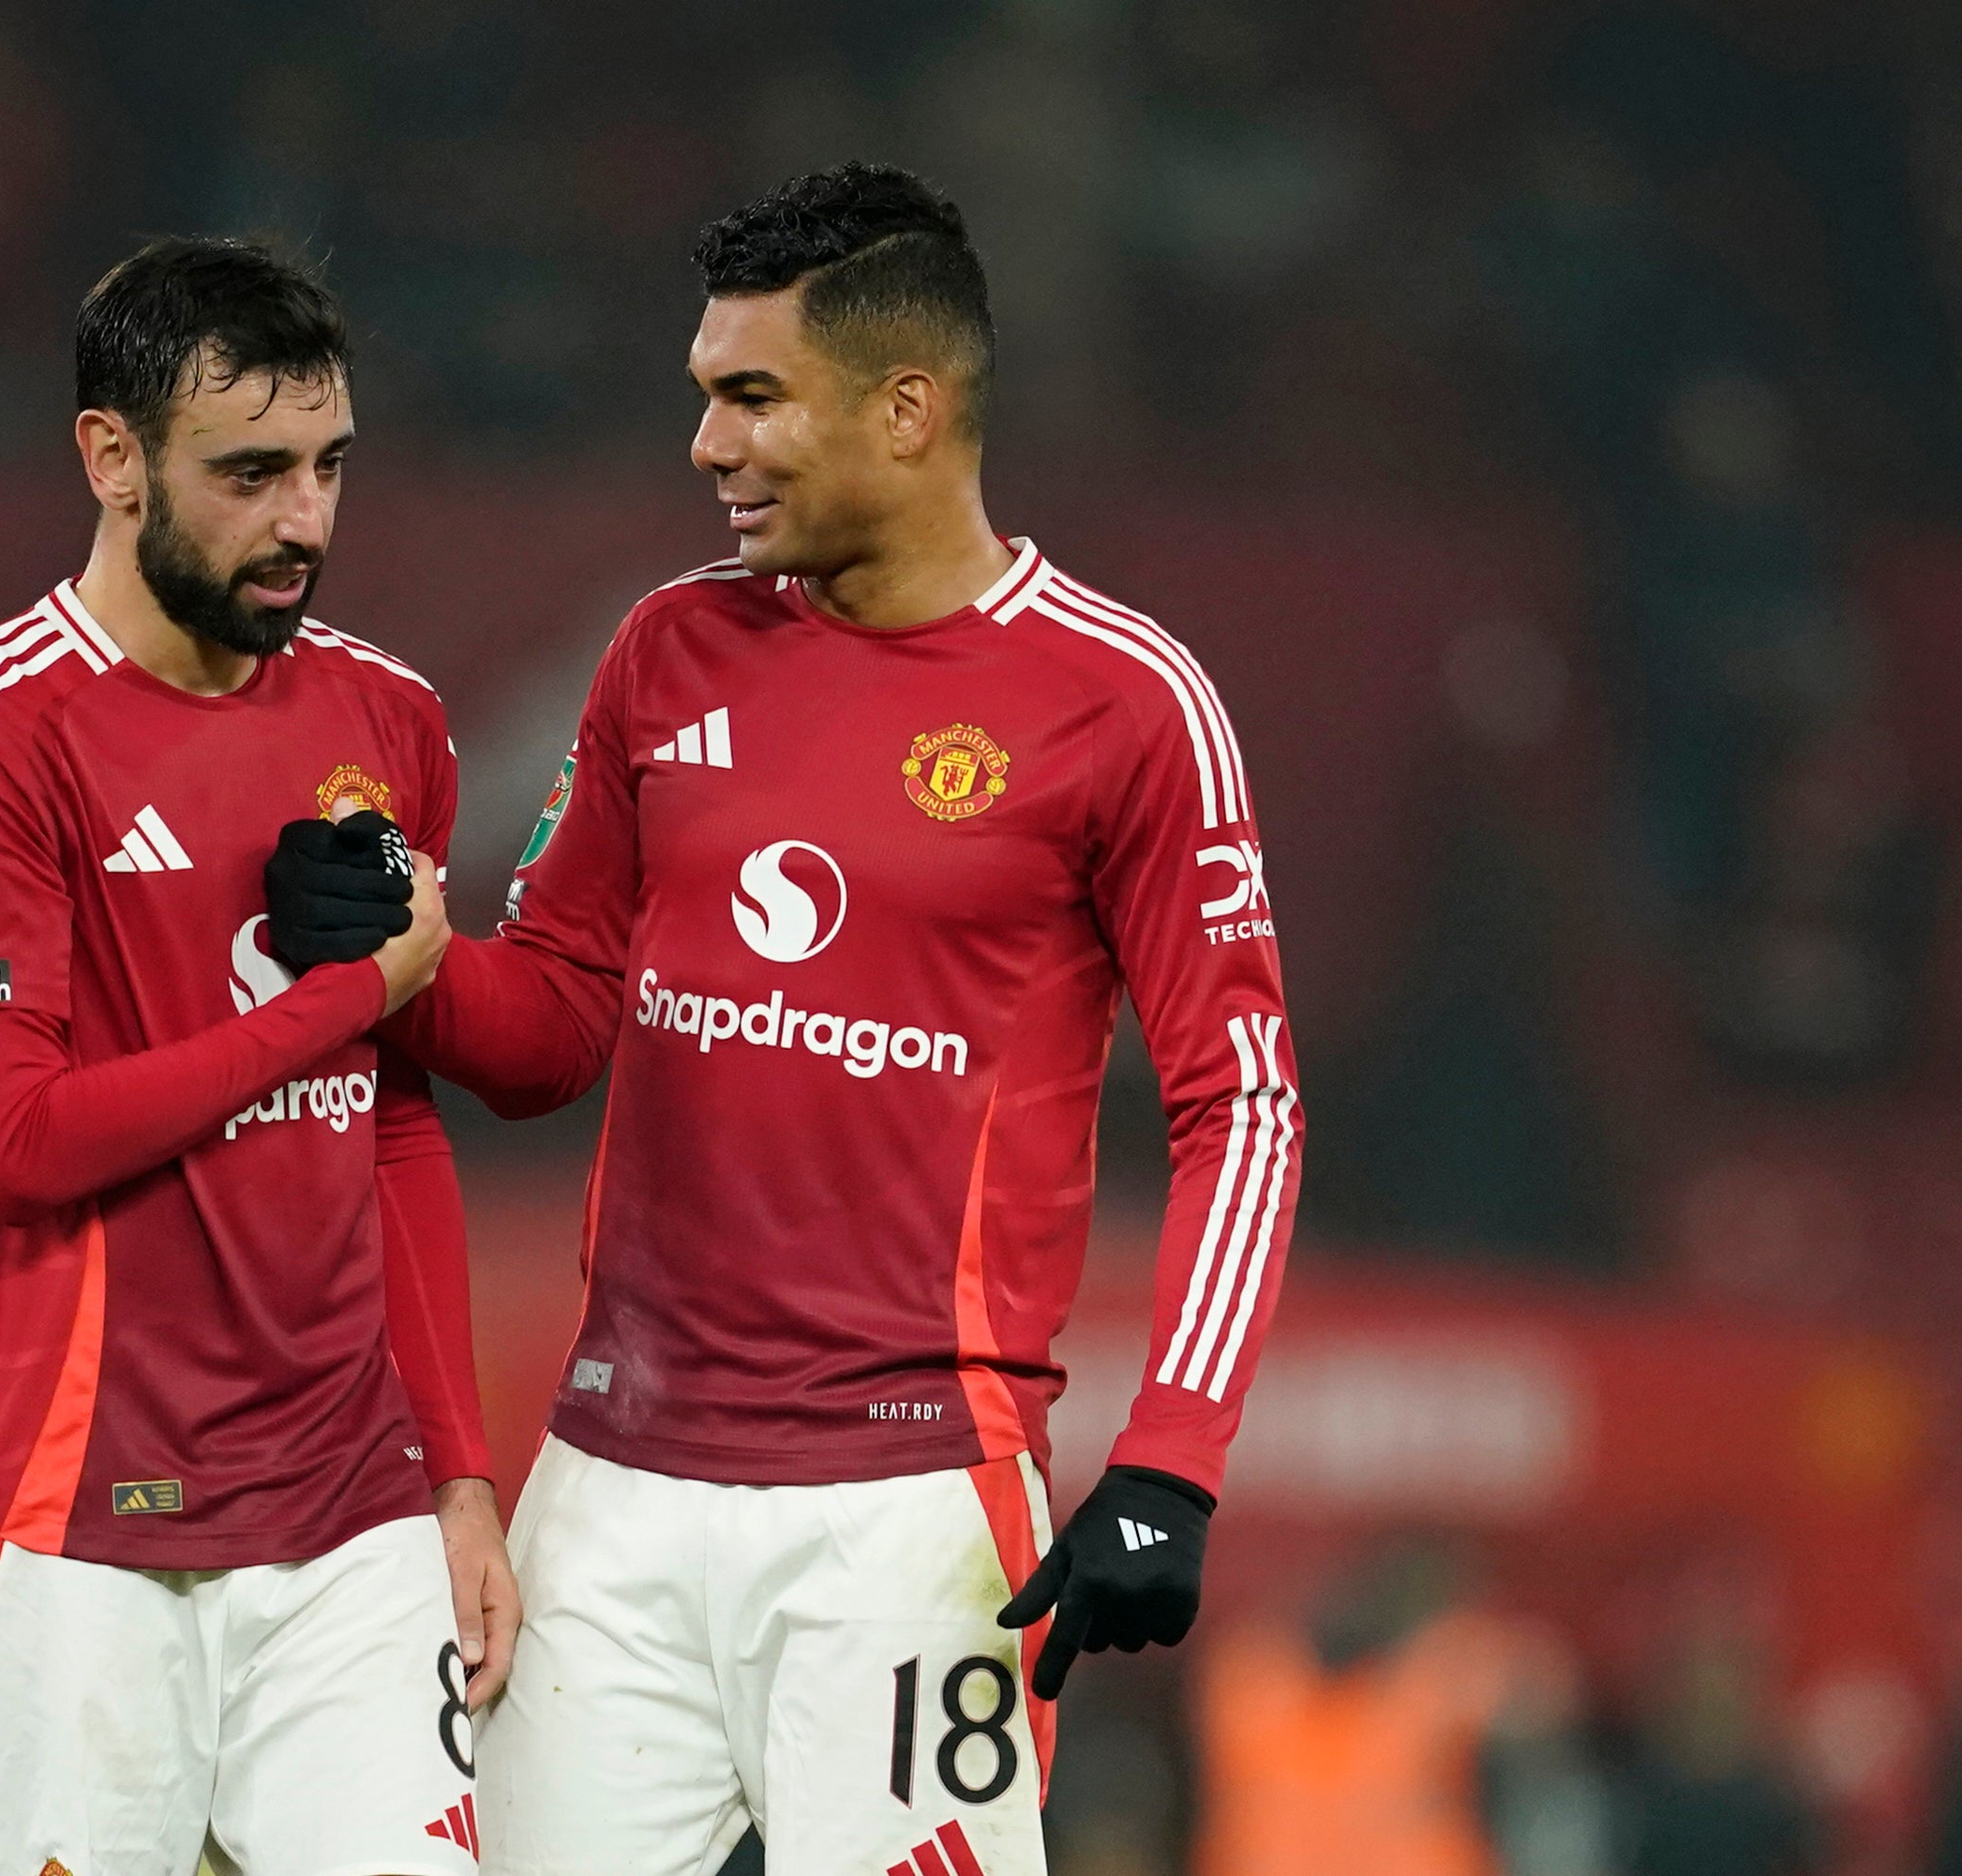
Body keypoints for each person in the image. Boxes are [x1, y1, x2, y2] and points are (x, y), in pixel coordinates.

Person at [266, 163, 1303, 1873]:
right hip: (609, 1488)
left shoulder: (1124, 703)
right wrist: (402, 954)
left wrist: (1172, 1457)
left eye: (750, 396)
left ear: (906, 409)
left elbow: (1238, 1101)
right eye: (700, 397)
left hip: (905, 1512)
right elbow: (551, 1033)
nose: (707, 445)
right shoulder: (667, 652)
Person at [0, 236, 514, 1876]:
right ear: (108, 454)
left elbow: (391, 1132)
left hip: (348, 1523)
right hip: (75, 1527)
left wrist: (459, 1474)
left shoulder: (386, 719)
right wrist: (338, 999)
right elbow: (14, 1135)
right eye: (248, 472)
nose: (303, 521)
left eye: (327, 467)